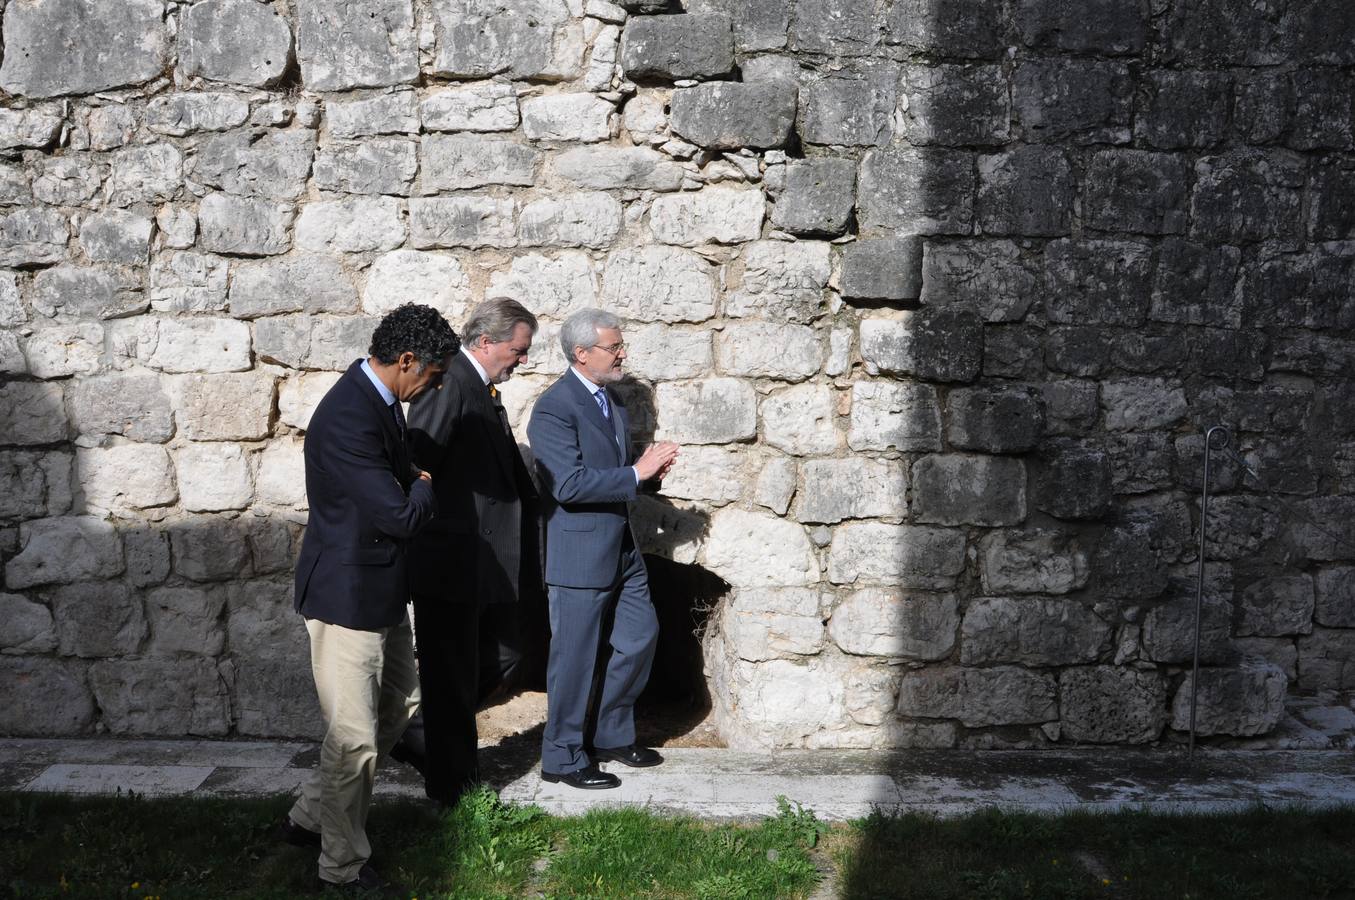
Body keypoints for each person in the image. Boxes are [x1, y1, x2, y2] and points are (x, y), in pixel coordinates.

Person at [281, 303, 457, 893]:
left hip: (379, 587)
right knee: (352, 736)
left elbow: (395, 481)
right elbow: (400, 513)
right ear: (407, 361)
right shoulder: (349, 416)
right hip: (347, 595)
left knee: (398, 707)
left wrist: (411, 478)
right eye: (432, 375)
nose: (433, 386)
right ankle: (341, 865)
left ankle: (311, 816)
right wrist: (426, 485)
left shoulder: (379, 402)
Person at [526, 308, 679, 789]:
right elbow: (568, 485)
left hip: (622, 548)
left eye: (620, 345)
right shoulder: (553, 407)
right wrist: (637, 472)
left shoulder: (607, 399)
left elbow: (606, 473)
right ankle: (562, 757)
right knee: (573, 659)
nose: (622, 354)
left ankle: (611, 734)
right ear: (582, 353)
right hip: (578, 556)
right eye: (614, 347)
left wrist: (645, 479)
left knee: (640, 636)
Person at [399, 297, 542, 807]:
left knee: (506, 652)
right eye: (518, 349)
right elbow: (418, 461)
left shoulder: (477, 383)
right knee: (450, 672)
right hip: (451, 559)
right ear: (486, 342)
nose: (523, 358)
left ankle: (417, 735)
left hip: (483, 562)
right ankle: (453, 789)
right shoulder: (450, 381)